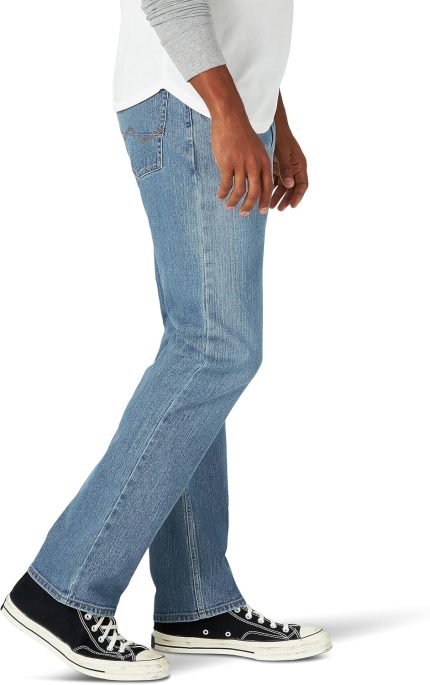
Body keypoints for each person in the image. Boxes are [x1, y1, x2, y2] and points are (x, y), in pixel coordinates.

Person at [1, 0, 332, 680]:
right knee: (215, 348)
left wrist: (274, 119)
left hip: (222, 105)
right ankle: (63, 585)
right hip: (191, 105)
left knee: (198, 351)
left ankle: (194, 599)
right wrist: (230, 114)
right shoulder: (206, 107)